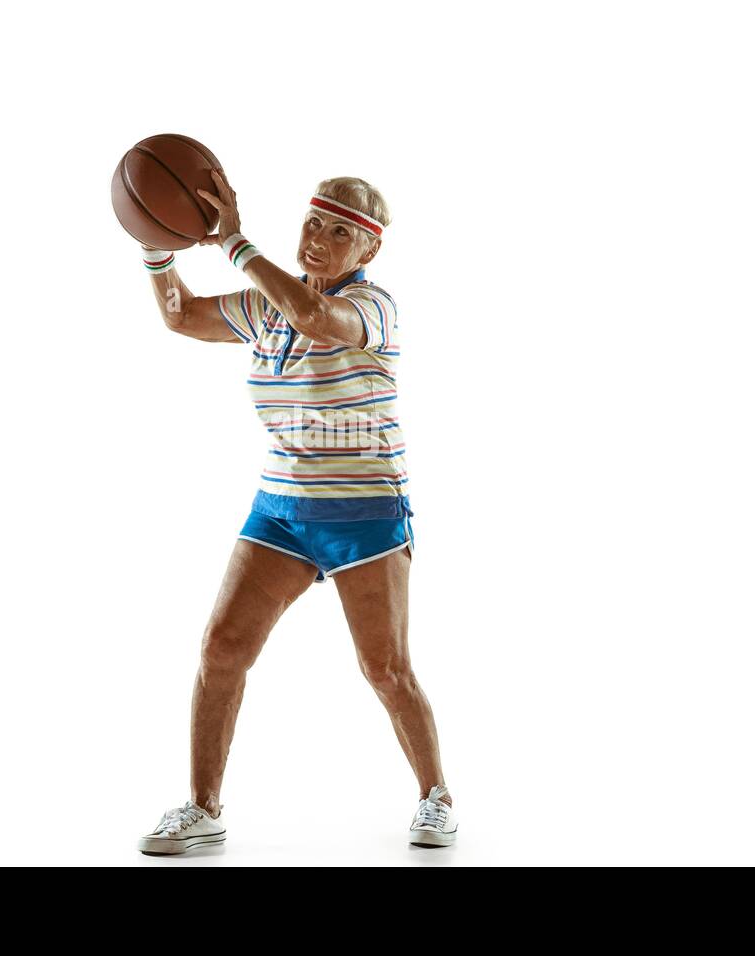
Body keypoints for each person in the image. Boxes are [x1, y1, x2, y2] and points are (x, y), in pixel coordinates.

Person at [135, 170, 456, 854]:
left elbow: (316, 318)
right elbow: (179, 314)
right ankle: (203, 807)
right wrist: (154, 248)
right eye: (315, 223)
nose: (321, 240)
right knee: (222, 649)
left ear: (366, 252)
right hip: (281, 507)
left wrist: (235, 241)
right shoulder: (265, 306)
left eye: (343, 232)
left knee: (385, 668)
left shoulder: (374, 307)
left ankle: (436, 797)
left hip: (363, 509)